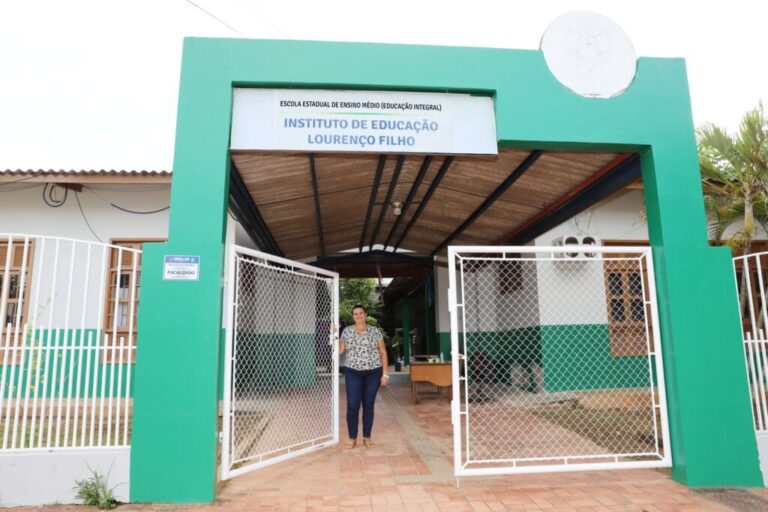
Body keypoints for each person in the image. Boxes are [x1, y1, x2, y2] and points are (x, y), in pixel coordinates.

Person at [339, 304, 388, 448]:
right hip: (353, 372)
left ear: (366, 314)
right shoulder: (347, 331)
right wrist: (333, 335)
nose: (358, 316)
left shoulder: (375, 331)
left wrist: (385, 374)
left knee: (368, 405)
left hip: (373, 373)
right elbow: (340, 350)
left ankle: (367, 437)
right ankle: (352, 437)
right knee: (353, 405)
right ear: (353, 316)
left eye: (361, 313)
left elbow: (383, 352)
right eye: (355, 314)